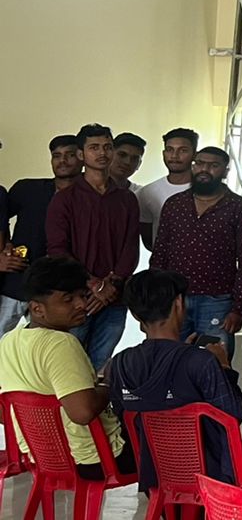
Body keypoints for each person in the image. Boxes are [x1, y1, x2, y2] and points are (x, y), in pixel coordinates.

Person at [109, 270, 242, 509]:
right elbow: (233, 414)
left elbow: (125, 416)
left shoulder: (120, 363)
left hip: (157, 472)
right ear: (179, 303)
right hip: (212, 470)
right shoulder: (200, 361)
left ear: (136, 315)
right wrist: (224, 366)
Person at [0, 257, 133, 480]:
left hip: (43, 459)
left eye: (83, 295)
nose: (81, 305)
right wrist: (109, 379)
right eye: (68, 299)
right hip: (93, 460)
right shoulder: (60, 343)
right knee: (158, 434)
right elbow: (82, 413)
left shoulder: (9, 341)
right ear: (37, 308)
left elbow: (4, 413)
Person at [47, 123, 139, 370]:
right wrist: (93, 284)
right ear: (81, 154)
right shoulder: (64, 199)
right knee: (68, 365)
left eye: (107, 147)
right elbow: (58, 250)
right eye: (94, 147)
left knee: (98, 366)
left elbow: (131, 247)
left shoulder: (127, 199)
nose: (102, 153)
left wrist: (111, 285)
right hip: (75, 297)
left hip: (114, 298)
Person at [148, 146, 242, 356]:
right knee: (169, 360)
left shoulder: (239, 208)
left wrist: (238, 308)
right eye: (200, 163)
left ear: (225, 171)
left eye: (213, 165)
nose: (205, 169)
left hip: (218, 301)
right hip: (174, 300)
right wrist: (154, 302)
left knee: (214, 363)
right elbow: (159, 254)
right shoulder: (175, 204)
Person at [2, 135, 83, 335]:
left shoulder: (90, 199)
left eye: (70, 155)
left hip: (58, 291)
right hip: (14, 283)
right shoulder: (27, 189)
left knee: (50, 345)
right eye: (57, 155)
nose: (63, 161)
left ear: (82, 157)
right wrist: (4, 249)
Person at [137, 128, 198, 249]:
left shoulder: (207, 192)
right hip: (163, 260)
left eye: (183, 150)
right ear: (163, 153)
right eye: (170, 149)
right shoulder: (147, 193)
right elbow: (148, 239)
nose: (174, 156)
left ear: (195, 155)